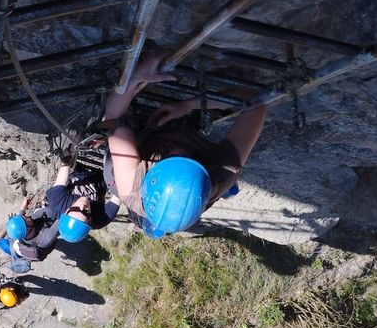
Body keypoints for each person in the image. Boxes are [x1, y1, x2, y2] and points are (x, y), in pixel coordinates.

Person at [102, 55, 268, 237]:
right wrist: (188, 105)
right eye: (188, 158)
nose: (178, 150)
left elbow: (112, 115)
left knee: (113, 138)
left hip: (145, 139)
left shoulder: (131, 186)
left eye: (169, 158)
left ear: (150, 178)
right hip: (176, 133)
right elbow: (255, 104)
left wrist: (135, 77)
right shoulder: (221, 173)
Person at [44, 161, 120, 243]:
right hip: (102, 178)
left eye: (76, 209)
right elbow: (120, 193)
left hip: (77, 174)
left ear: (66, 211)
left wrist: (68, 158)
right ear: (90, 220)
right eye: (86, 212)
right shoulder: (100, 220)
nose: (83, 206)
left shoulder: (57, 203)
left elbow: (64, 168)